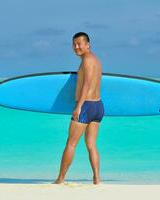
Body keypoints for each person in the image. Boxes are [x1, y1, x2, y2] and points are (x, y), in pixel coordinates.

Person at [53, 32, 104, 185]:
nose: (76, 47)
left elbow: (87, 84)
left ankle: (60, 179)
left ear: (88, 45)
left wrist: (79, 106)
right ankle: (97, 179)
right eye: (74, 44)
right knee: (91, 145)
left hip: (86, 106)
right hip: (98, 106)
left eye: (79, 44)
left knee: (71, 143)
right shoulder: (96, 60)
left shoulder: (87, 60)